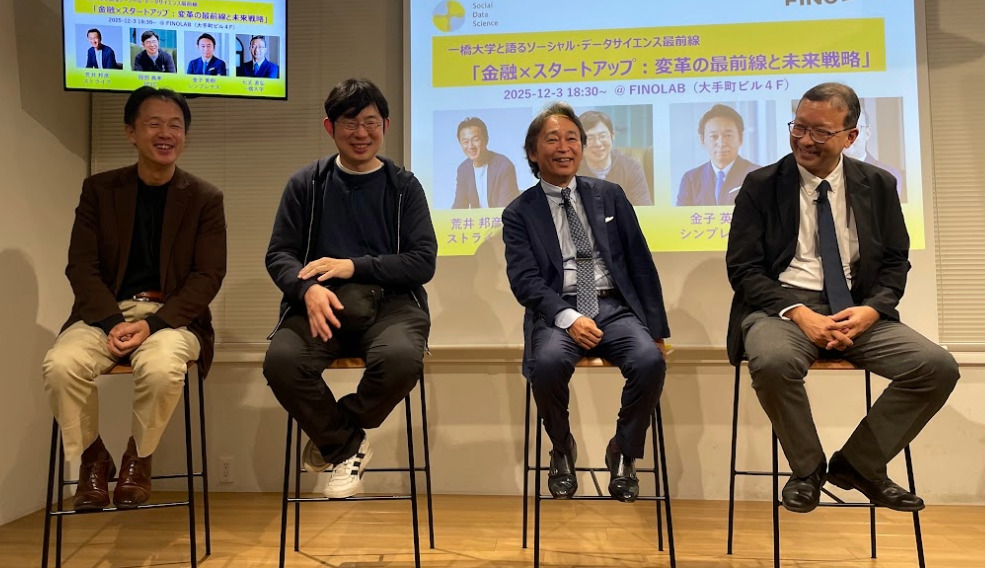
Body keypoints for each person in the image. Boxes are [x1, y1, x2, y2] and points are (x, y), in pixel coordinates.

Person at [726, 82, 959, 514]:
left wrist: (872, 310)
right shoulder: (761, 185)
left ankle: (858, 464)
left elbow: (895, 261)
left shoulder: (878, 183)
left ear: (850, 136)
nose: (804, 140)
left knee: (936, 366)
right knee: (772, 361)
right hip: (782, 309)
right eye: (798, 127)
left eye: (820, 131)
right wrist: (799, 313)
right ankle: (807, 469)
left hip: (855, 309)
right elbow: (743, 270)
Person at [41, 87, 227, 511]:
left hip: (173, 319)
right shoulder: (99, 190)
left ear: (185, 135)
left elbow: (208, 276)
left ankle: (137, 458)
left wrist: (152, 325)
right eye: (154, 124)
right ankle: (93, 457)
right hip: (104, 314)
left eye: (175, 125)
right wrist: (112, 322)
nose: (166, 133)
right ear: (131, 132)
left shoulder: (204, 198)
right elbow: (81, 267)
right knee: (61, 365)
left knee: (162, 368)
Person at [263, 78, 436, 499]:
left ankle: (337, 431)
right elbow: (279, 254)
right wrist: (307, 290)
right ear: (330, 128)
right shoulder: (306, 184)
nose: (361, 133)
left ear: (386, 126)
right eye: (350, 123)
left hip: (393, 305)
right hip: (322, 304)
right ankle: (347, 445)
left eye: (371, 122)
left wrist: (353, 265)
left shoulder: (404, 186)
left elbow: (422, 261)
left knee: (400, 360)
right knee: (282, 363)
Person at [503, 102, 669, 503]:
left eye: (573, 138)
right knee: (545, 365)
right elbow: (525, 281)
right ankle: (561, 448)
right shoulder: (519, 213)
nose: (565, 147)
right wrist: (568, 317)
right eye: (553, 139)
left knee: (649, 361)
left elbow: (640, 262)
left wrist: (657, 329)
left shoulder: (610, 196)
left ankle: (623, 452)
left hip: (614, 307)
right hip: (557, 311)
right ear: (532, 152)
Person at [677, 104, 759, 206]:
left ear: (740, 138)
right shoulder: (690, 179)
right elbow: (681, 215)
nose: (721, 143)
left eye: (728, 135)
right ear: (702, 140)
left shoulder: (757, 175)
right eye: (714, 136)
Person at [576, 110, 652, 206]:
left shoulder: (631, 167)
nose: (597, 143)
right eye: (590, 138)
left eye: (602, 136)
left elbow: (644, 208)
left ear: (612, 136)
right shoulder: (572, 171)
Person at [451, 116, 520, 208]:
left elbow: (506, 209)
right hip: (479, 218)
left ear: (486, 140)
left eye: (475, 140)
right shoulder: (463, 169)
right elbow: (459, 206)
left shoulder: (504, 166)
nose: (471, 146)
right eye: (465, 142)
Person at [843, 103, 907, 202]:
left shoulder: (887, 175)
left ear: (867, 133)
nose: (847, 136)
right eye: (843, 129)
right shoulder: (824, 173)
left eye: (855, 129)